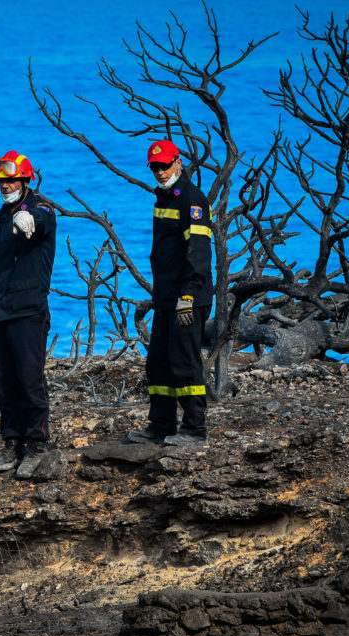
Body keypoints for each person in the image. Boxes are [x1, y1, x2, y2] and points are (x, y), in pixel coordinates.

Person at [0, 150, 57, 475]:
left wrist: (32, 220)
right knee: (4, 383)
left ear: (25, 179)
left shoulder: (40, 208)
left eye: (11, 179)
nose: (5, 185)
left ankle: (37, 445)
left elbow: (44, 220)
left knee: (30, 380)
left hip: (28, 312)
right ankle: (12, 444)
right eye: (1, 180)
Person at [127, 139, 213, 446]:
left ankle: (194, 429)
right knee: (158, 362)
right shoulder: (164, 198)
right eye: (155, 167)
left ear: (178, 162)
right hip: (166, 297)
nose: (160, 172)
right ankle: (161, 425)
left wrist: (188, 295)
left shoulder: (191, 199)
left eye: (165, 165)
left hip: (188, 297)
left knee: (184, 361)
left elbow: (199, 252)